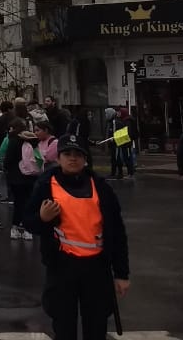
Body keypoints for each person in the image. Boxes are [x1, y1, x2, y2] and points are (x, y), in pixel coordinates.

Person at [24, 134, 130, 340]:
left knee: (96, 327)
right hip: (62, 267)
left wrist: (122, 274)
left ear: (85, 158)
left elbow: (117, 233)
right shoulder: (46, 186)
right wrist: (42, 218)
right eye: (67, 154)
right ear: (58, 158)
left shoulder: (101, 188)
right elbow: (29, 222)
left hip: (97, 268)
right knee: (64, 327)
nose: (72, 159)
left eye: (78, 154)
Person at [8, 128, 42, 241]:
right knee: (29, 203)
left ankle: (14, 227)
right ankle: (27, 229)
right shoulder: (35, 146)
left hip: (16, 179)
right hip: (30, 178)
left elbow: (7, 160)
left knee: (18, 203)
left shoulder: (14, 143)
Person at [108, 108, 138, 181]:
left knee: (127, 157)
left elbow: (127, 132)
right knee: (126, 157)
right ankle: (129, 173)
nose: (118, 114)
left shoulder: (127, 121)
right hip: (125, 142)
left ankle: (130, 174)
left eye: (120, 112)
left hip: (126, 142)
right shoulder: (125, 120)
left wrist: (119, 137)